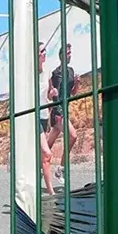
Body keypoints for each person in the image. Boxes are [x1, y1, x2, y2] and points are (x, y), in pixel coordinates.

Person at [48, 42, 79, 184]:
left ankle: (36, 165)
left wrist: (77, 84)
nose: (70, 55)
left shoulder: (71, 71)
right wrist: (52, 93)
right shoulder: (56, 73)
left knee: (47, 144)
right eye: (67, 53)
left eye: (70, 53)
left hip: (65, 109)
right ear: (61, 56)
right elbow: (51, 93)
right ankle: (60, 169)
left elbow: (72, 93)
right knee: (73, 136)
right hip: (58, 111)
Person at [37, 43, 55, 195]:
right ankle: (51, 193)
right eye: (42, 51)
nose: (45, 53)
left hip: (44, 115)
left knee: (40, 155)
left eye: (44, 50)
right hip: (33, 116)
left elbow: (49, 93)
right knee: (47, 154)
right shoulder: (30, 74)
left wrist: (52, 93)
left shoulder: (47, 72)